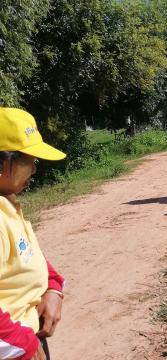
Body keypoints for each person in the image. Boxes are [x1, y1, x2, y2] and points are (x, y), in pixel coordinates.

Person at [0, 108, 67, 360]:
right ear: (1, 163)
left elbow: (26, 253)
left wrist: (53, 286)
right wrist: (25, 345)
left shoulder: (7, 205)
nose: (34, 170)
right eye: (29, 160)